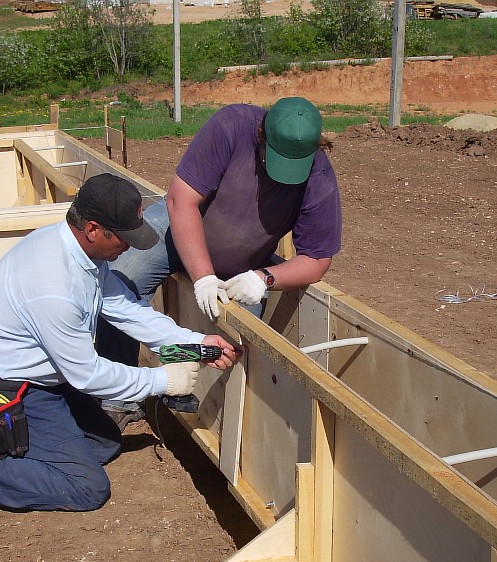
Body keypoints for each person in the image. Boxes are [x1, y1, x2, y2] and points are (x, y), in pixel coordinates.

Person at [0, 173, 238, 523]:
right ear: (92, 229)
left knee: (106, 444)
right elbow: (87, 374)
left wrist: (193, 342)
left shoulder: (81, 255)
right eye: (124, 238)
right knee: (86, 487)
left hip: (47, 379)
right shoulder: (53, 287)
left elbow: (124, 308)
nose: (130, 248)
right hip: (16, 387)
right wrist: (163, 381)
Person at [95, 97, 342, 423]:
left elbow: (316, 258)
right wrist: (203, 277)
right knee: (118, 281)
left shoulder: (318, 177)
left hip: (241, 262)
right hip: (175, 231)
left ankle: (178, 383)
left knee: (231, 341)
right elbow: (181, 201)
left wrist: (264, 278)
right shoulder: (232, 126)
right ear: (260, 135)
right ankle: (118, 397)